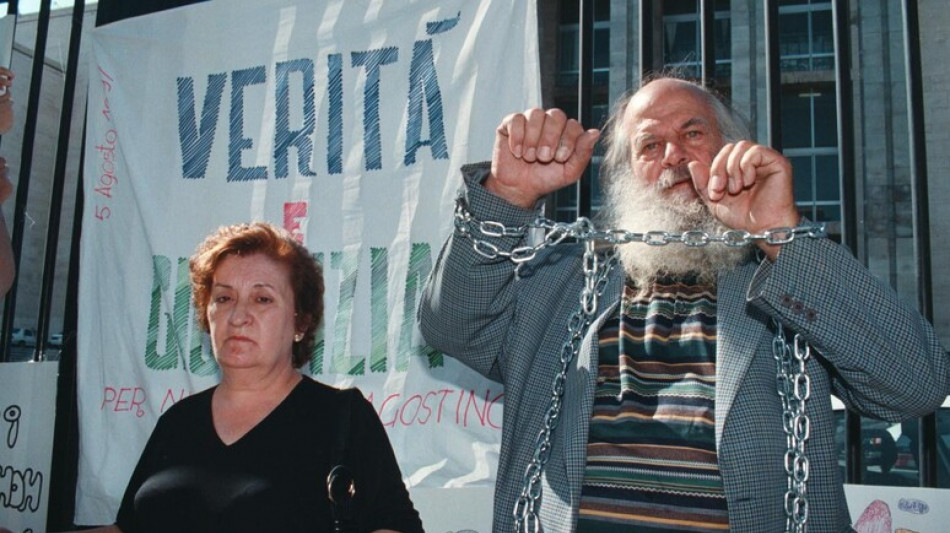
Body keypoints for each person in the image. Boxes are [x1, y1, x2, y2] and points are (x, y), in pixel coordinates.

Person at [418, 76, 950, 532]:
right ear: (627, 175)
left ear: (732, 150)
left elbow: (917, 385)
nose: (672, 155)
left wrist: (783, 236)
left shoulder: (793, 281)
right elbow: (453, 326)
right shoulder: (559, 279)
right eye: (649, 146)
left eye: (692, 134)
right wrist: (506, 198)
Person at [1, 222, 424, 533]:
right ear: (207, 314)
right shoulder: (178, 420)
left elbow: (397, 526)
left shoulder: (341, 417)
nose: (238, 315)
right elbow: (127, 529)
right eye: (223, 298)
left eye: (262, 298)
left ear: (300, 322)